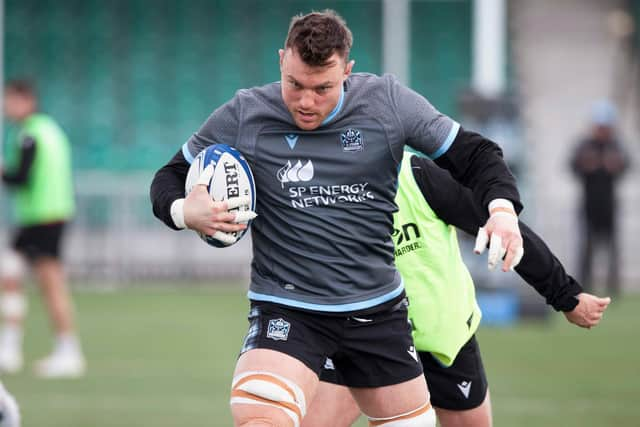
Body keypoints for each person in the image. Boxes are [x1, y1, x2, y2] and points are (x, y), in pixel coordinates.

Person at [151, 10, 524, 426]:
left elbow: (476, 154)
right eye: (295, 84)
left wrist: (502, 209)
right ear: (281, 61)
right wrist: (185, 211)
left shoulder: (387, 104)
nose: (306, 101)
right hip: (289, 308)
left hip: (377, 310)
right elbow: (169, 176)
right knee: (260, 415)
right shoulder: (246, 114)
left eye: (322, 88)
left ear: (347, 71)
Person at [302, 152, 611, 427]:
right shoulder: (312, 186)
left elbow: (503, 231)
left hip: (442, 339)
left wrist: (566, 295)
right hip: (363, 338)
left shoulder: (417, 175)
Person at [0, 80, 85, 378]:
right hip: (42, 217)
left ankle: (68, 349)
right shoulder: (46, 130)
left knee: (50, 284)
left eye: (9, 100)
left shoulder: (30, 135)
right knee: (9, 273)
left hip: (44, 218)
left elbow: (21, 178)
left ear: (25, 100)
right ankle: (10, 346)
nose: (6, 107)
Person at [571, 100, 629, 296]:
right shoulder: (585, 145)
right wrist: (587, 165)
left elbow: (626, 166)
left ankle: (614, 289)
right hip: (589, 207)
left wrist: (615, 166)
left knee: (612, 251)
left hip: (610, 207)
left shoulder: (615, 146)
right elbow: (573, 165)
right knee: (586, 250)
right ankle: (584, 287)